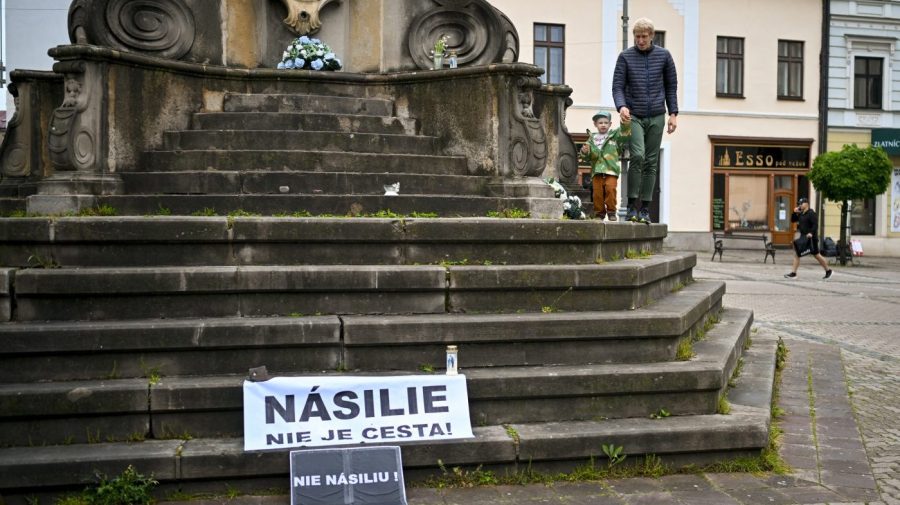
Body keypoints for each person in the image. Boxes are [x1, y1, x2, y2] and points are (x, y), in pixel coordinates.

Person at [612, 17, 679, 224]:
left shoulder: (664, 56)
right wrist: (621, 105)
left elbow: (671, 86)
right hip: (634, 114)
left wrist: (673, 114)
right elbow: (617, 86)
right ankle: (632, 205)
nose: (640, 40)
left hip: (657, 114)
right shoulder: (625, 57)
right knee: (638, 156)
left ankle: (645, 209)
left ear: (651, 36)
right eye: (637, 36)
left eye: (643, 36)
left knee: (652, 161)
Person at [580, 111, 631, 220]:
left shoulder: (614, 136)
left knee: (610, 190)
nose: (603, 125)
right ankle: (599, 213)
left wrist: (625, 123)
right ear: (595, 124)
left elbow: (625, 134)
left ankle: (611, 211)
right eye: (600, 123)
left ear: (610, 124)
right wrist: (584, 152)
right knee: (597, 194)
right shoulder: (591, 139)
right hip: (597, 171)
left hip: (611, 170)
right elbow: (587, 157)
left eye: (605, 123)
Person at [784, 198, 833, 279]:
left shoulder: (811, 213)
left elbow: (815, 225)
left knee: (817, 255)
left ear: (806, 204)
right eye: (799, 204)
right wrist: (794, 212)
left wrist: (811, 233)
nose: (799, 205)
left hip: (811, 238)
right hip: (803, 237)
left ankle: (828, 271)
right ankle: (793, 273)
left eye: (801, 203)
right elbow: (793, 220)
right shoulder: (801, 213)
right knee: (797, 254)